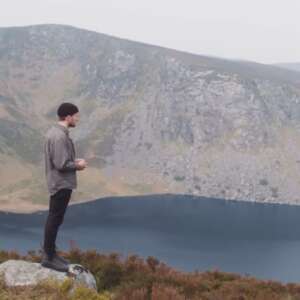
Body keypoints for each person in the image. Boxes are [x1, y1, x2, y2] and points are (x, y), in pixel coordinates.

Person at [41, 102, 87, 271]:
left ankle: (51, 254)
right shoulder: (59, 136)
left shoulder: (56, 133)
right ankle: (48, 257)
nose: (77, 119)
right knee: (54, 219)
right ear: (68, 117)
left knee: (55, 219)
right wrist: (78, 165)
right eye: (75, 116)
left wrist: (73, 162)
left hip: (58, 182)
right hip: (61, 184)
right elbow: (61, 164)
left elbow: (59, 160)